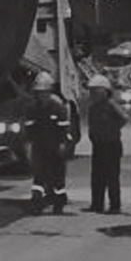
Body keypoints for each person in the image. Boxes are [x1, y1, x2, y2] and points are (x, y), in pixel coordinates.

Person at [24, 72, 74, 214]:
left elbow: (64, 129)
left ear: (49, 91)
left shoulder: (58, 108)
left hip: (55, 147)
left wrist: (63, 145)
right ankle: (37, 204)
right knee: (38, 177)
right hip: (39, 147)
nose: (42, 95)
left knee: (58, 179)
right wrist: (28, 146)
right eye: (39, 93)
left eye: (44, 92)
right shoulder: (32, 108)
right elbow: (29, 130)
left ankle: (59, 204)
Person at [82, 74, 128, 213]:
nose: (92, 94)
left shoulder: (111, 105)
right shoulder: (93, 107)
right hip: (98, 145)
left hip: (111, 145)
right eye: (91, 91)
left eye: (95, 91)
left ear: (104, 91)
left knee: (112, 176)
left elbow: (124, 118)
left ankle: (115, 206)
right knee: (97, 176)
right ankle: (97, 204)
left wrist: (112, 129)